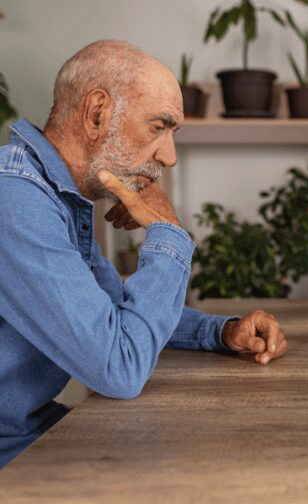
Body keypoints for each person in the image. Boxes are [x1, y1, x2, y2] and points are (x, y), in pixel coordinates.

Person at [0, 40, 288, 468]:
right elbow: (120, 367)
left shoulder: (56, 196)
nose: (169, 157)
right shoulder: (16, 199)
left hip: (34, 433)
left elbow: (114, 311)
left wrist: (221, 332)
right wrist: (167, 233)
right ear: (97, 113)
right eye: (158, 126)